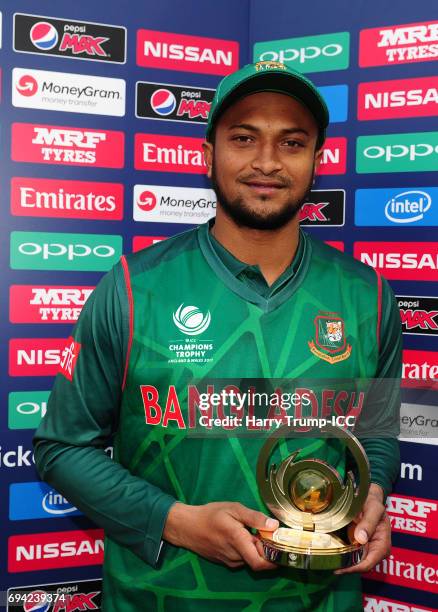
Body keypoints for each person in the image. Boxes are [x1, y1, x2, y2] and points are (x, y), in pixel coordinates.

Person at [34, 61, 402, 611]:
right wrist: (175, 522)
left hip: (322, 599)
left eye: (292, 142)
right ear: (208, 154)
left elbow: (377, 431)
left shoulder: (367, 294)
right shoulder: (135, 288)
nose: (268, 162)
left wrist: (372, 495)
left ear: (317, 161)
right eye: (244, 138)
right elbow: (61, 447)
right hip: (163, 598)